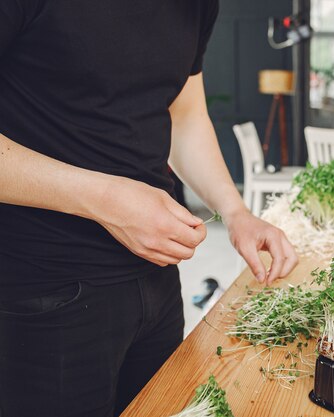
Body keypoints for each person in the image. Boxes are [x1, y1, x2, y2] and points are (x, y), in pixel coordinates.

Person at [0, 1, 298, 416]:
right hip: (46, 291)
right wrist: (105, 200)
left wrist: (235, 212)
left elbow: (185, 115)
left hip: (157, 279)